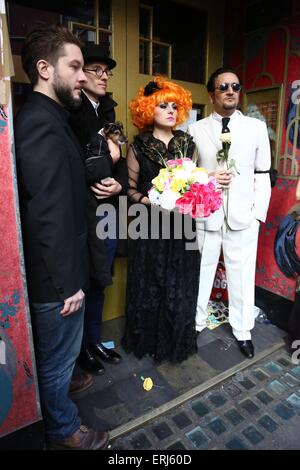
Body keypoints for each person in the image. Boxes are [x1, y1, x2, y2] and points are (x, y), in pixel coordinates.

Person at [14, 24, 109, 450]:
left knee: (62, 360)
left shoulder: (53, 117)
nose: (83, 76)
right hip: (56, 278)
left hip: (64, 268)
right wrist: (69, 282)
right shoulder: (38, 121)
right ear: (44, 69)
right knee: (54, 362)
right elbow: (46, 212)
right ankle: (65, 429)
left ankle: (64, 389)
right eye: (74, 66)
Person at [188, 67, 271, 359]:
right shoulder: (195, 129)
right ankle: (195, 324)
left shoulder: (255, 128)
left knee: (242, 277)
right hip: (206, 214)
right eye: (223, 87)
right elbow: (187, 174)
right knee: (200, 273)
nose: (230, 91)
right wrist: (208, 177)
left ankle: (243, 331)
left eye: (235, 86)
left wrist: (257, 214)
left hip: (243, 217)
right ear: (212, 93)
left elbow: (263, 173)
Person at [121, 75, 200, 363]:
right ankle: (148, 342)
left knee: (180, 282)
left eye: (173, 106)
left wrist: (193, 196)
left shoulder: (187, 143)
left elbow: (193, 184)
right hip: (149, 225)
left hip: (181, 226)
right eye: (162, 105)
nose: (170, 110)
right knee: (149, 282)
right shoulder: (139, 146)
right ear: (148, 110)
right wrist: (149, 200)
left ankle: (174, 342)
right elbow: (129, 188)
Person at [69, 43, 126, 374]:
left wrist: (118, 181)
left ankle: (93, 341)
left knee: (101, 278)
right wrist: (111, 157)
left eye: (107, 72)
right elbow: (81, 162)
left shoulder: (108, 109)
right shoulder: (72, 110)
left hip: (108, 209)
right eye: (97, 70)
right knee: (86, 281)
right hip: (84, 210)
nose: (104, 77)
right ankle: (80, 350)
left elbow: (116, 155)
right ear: (81, 74)